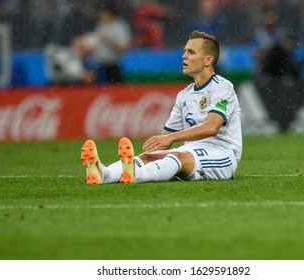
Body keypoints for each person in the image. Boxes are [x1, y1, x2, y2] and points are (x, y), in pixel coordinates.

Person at [80, 31, 243, 184]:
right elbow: (166, 137)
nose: (184, 56)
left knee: (178, 157)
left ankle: (137, 176)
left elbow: (212, 127)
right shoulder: (184, 95)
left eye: (191, 52)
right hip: (190, 151)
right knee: (150, 157)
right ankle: (105, 174)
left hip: (221, 154)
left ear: (208, 60)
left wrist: (169, 139)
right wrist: (152, 150)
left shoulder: (222, 87)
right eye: (185, 51)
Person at [71, 2, 132, 84]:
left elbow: (124, 48)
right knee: (100, 90)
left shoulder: (120, 26)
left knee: (114, 91)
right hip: (100, 65)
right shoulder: (101, 25)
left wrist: (108, 40)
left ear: (110, 13)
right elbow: (96, 43)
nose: (101, 15)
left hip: (113, 66)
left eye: (103, 12)